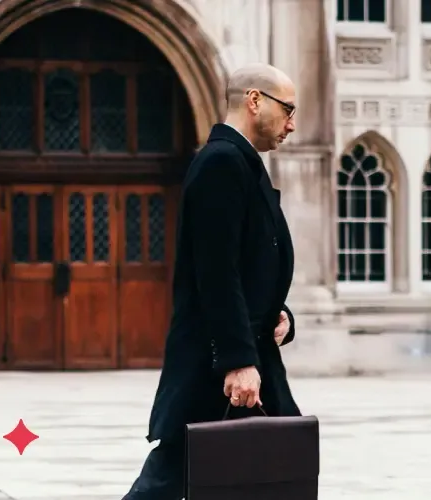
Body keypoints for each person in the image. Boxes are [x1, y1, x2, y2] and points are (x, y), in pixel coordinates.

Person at [122, 63, 303, 499]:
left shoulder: (242, 163)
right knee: (171, 483)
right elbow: (216, 273)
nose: (293, 125)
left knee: (282, 470)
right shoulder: (222, 163)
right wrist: (237, 361)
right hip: (220, 366)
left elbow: (250, 267)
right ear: (255, 100)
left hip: (247, 354)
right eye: (289, 109)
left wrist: (282, 316)